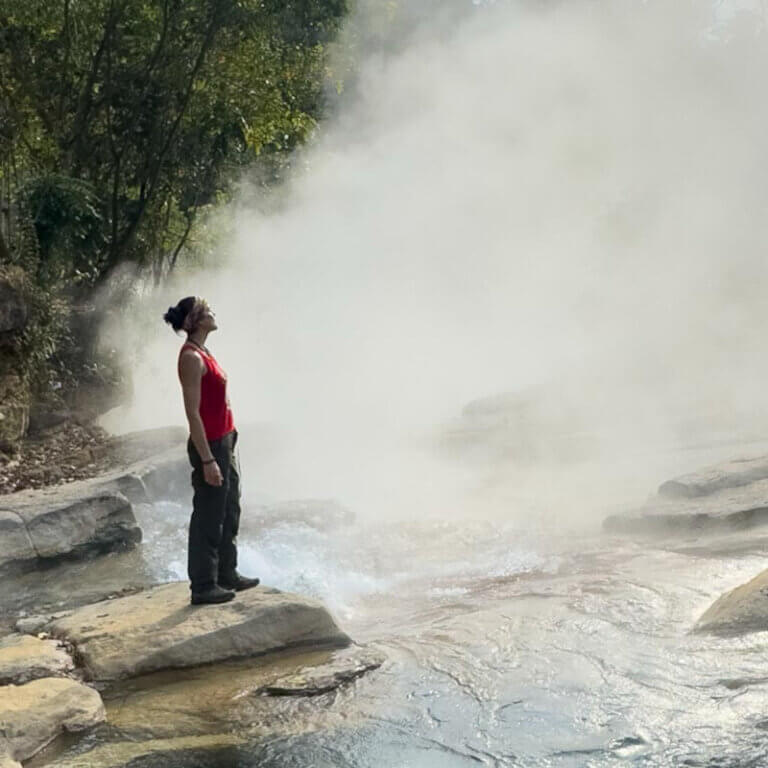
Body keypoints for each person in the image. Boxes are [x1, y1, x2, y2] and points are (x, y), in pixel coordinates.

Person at [164, 296, 260, 605]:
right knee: (209, 514)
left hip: (225, 439)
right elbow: (192, 413)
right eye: (206, 311)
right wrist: (207, 459)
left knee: (230, 508)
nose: (213, 313)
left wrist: (229, 440)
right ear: (194, 321)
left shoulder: (205, 352)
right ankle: (203, 585)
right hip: (211, 444)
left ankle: (226, 574)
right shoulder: (191, 357)